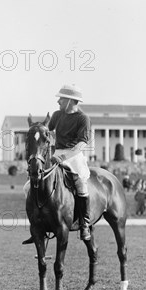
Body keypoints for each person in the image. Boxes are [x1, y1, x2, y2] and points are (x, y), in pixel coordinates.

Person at [23, 84, 92, 244]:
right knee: (27, 187)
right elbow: (46, 130)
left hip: (74, 156)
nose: (58, 101)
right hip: (56, 153)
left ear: (70, 101)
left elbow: (82, 144)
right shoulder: (57, 115)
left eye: (61, 99)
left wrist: (64, 156)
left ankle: (84, 224)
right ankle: (36, 227)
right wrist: (36, 130)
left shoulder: (83, 118)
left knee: (81, 186)